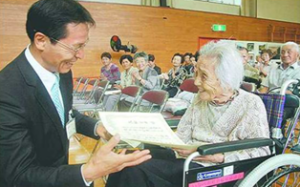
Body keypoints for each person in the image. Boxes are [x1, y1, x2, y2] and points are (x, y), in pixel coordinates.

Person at [0, 0, 151, 187]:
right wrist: (88, 172)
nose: (81, 55)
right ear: (41, 40)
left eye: (84, 45)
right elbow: (18, 175)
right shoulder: (7, 93)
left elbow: (63, 113)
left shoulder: (61, 69)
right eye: (76, 47)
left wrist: (98, 128)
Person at [105, 41, 270, 187]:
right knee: (126, 159)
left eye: (203, 76)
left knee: (136, 171)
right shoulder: (200, 98)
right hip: (185, 157)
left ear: (226, 78)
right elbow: (182, 135)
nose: (196, 82)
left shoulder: (251, 104)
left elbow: (262, 152)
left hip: (215, 170)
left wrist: (219, 156)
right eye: (196, 73)